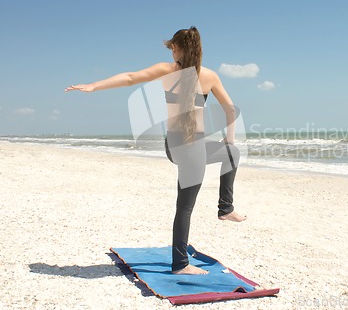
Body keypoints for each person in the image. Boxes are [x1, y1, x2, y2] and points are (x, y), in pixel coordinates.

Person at [65, 26, 246, 275]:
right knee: (189, 203)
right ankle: (183, 262)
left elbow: (130, 78)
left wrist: (94, 86)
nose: (171, 50)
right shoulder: (210, 76)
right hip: (191, 149)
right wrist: (229, 138)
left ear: (181, 48)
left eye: (173, 46)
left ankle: (225, 210)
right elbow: (230, 109)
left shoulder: (168, 70)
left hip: (174, 145)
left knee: (229, 156)